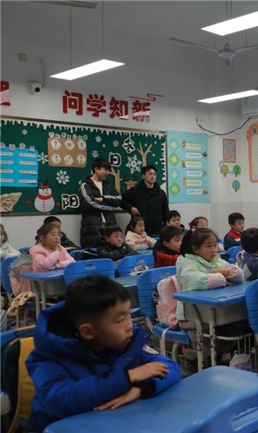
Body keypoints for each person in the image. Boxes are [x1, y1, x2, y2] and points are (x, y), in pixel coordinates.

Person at [26, 276, 181, 433]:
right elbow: (62, 401)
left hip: (119, 423)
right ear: (88, 332)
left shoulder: (126, 341)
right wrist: (128, 377)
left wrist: (142, 388)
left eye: (129, 315)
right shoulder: (47, 358)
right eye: (120, 320)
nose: (130, 326)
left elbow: (170, 367)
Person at [176, 228, 244, 359]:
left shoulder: (216, 261)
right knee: (212, 341)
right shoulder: (187, 263)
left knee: (238, 329)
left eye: (215, 245)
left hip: (213, 312)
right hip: (192, 315)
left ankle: (215, 358)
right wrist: (224, 278)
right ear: (196, 249)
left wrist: (224, 273)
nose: (213, 250)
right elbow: (198, 281)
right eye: (208, 246)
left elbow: (239, 274)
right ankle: (191, 358)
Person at [80, 158, 137, 248]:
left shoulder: (108, 185)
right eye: (105, 170)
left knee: (112, 252)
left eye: (108, 170)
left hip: (109, 226)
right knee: (93, 252)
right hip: (92, 229)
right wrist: (110, 207)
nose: (107, 173)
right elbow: (90, 203)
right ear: (96, 169)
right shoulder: (86, 185)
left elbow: (118, 199)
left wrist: (103, 198)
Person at [121, 165, 169, 237]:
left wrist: (166, 227)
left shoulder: (161, 193)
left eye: (154, 174)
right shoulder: (135, 192)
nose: (152, 176)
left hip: (158, 230)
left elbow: (166, 211)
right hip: (140, 230)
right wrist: (130, 208)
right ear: (143, 176)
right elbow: (121, 200)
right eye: (150, 174)